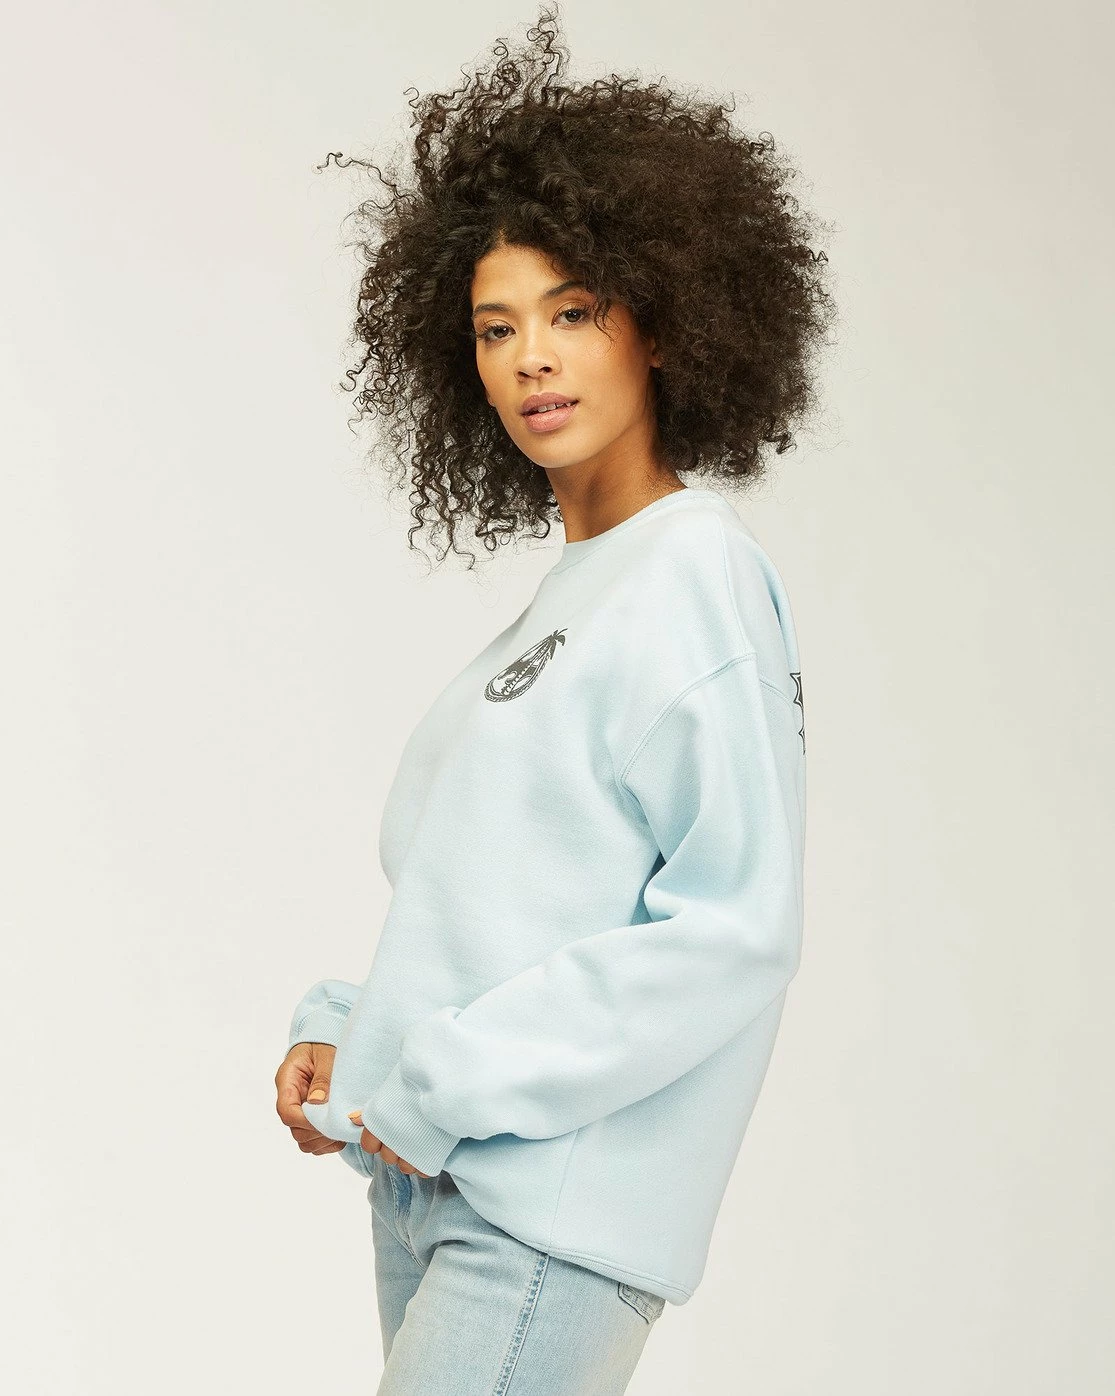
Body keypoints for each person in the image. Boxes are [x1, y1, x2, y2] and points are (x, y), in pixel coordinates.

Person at [273, 7, 834, 1392]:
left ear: (664, 321)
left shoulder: (694, 577)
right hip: (431, 1184)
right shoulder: (562, 608)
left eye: (573, 312)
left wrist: (445, 1080)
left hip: (545, 1218)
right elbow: (505, 904)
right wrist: (357, 1025)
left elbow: (733, 929)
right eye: (496, 327)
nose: (531, 355)